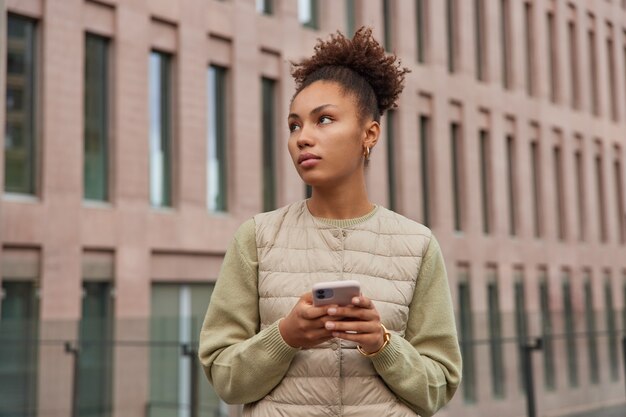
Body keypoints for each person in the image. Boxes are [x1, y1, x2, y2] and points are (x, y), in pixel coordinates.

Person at [198, 27, 462, 417]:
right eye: (294, 125)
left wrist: (382, 344)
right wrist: (286, 336)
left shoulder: (418, 244)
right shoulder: (257, 237)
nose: (303, 137)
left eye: (323, 120)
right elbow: (225, 380)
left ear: (369, 134)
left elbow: (438, 387)